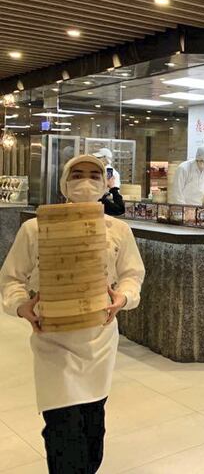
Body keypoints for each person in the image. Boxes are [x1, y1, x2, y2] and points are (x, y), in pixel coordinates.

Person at [0, 154, 145, 474]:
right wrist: (21, 305)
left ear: (105, 183)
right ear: (65, 182)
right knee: (61, 428)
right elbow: (11, 277)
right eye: (77, 174)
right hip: (53, 342)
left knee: (93, 425)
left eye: (94, 175)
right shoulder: (35, 228)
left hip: (100, 341)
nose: (85, 181)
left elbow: (133, 275)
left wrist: (123, 298)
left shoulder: (119, 230)